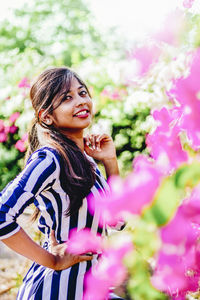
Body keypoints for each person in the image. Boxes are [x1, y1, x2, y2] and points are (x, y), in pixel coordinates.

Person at [0, 67, 124, 300]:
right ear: (46, 116)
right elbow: (1, 214)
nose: (81, 101)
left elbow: (116, 221)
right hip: (55, 290)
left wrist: (110, 161)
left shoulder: (87, 162)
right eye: (67, 98)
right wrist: (53, 261)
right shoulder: (50, 159)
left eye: (83, 93)